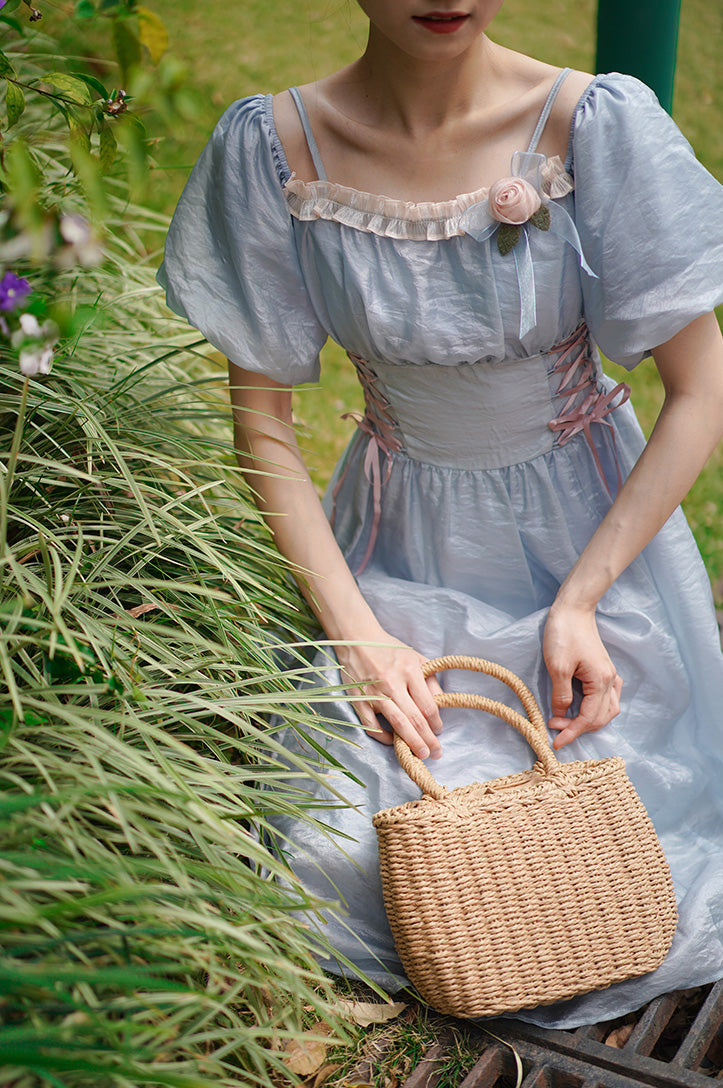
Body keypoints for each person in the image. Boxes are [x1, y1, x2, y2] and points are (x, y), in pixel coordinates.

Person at [158, 2, 723, 1027]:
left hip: (587, 544)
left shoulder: (590, 125)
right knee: (345, 843)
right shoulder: (273, 147)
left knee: (618, 825)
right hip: (396, 542)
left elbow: (702, 386)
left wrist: (584, 599)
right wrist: (360, 635)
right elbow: (267, 432)